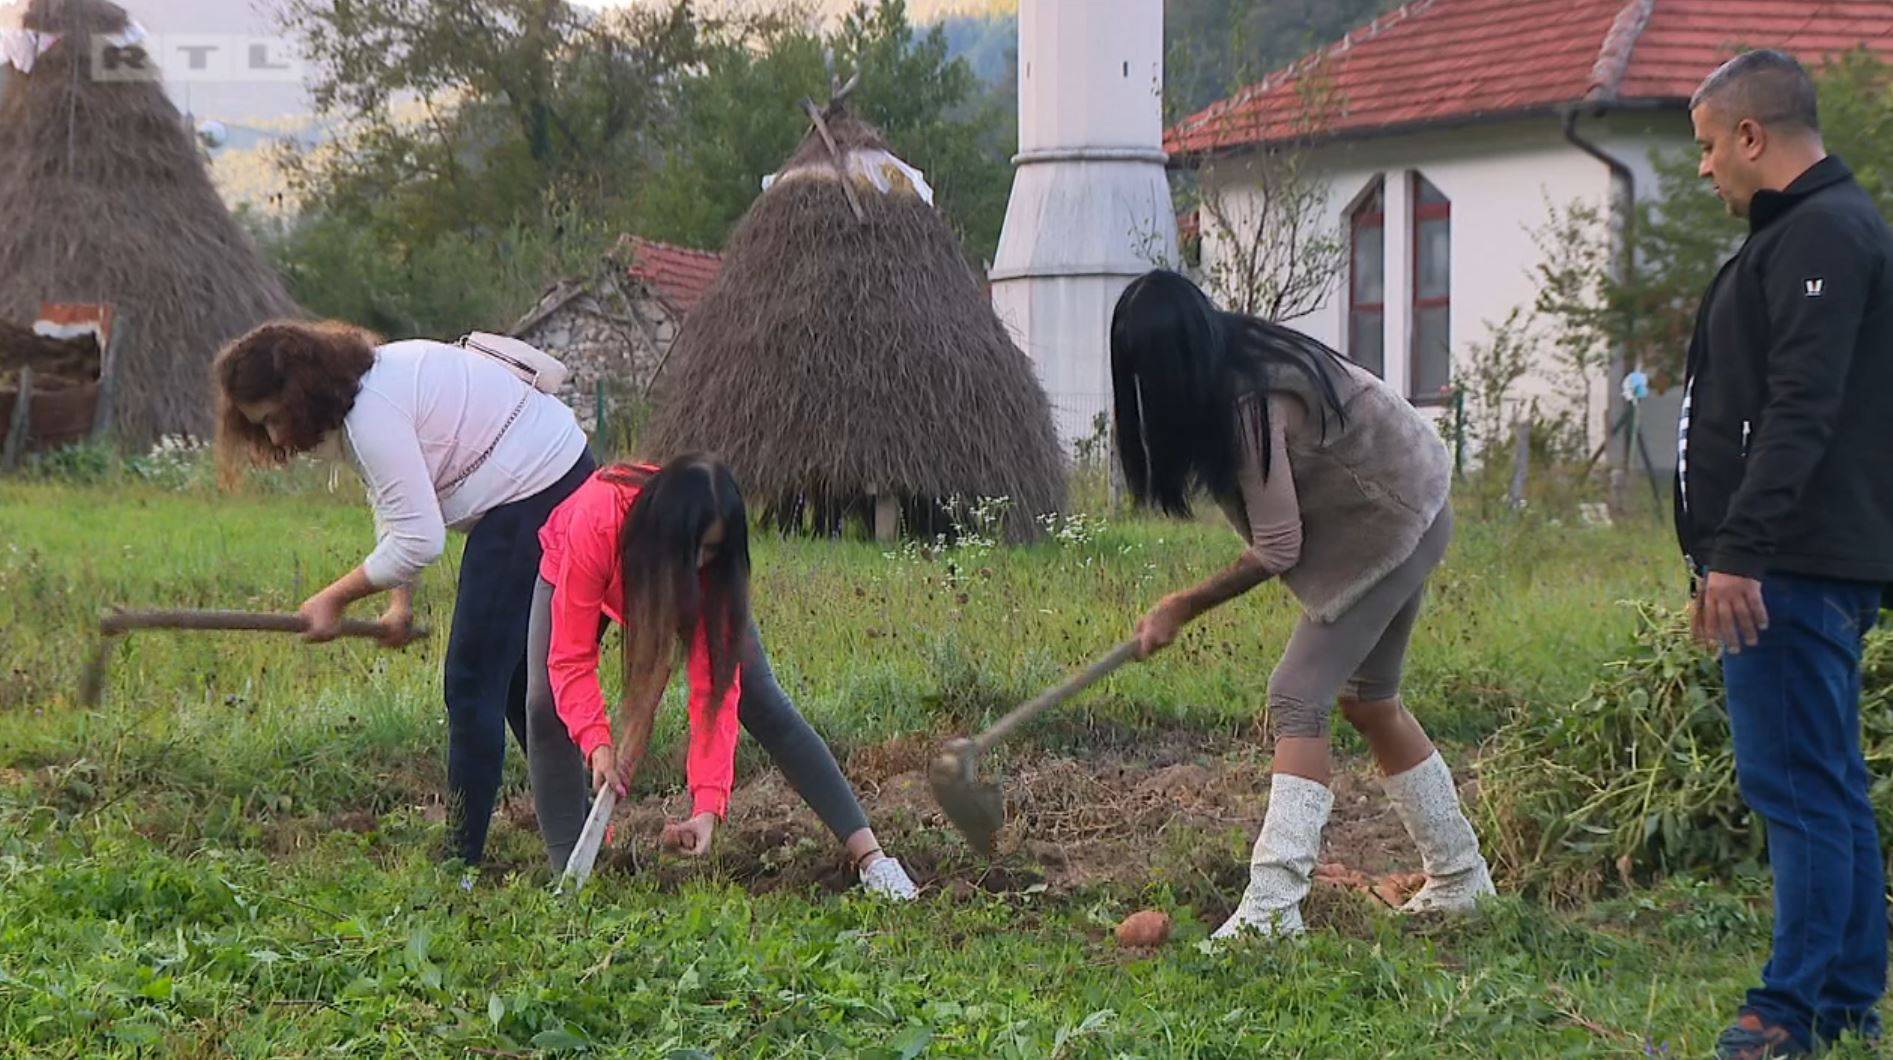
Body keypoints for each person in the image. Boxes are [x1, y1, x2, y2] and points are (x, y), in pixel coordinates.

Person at [1110, 269, 1493, 940]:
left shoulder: (1248, 401)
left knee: (1296, 695)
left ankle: (1271, 910)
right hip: (1405, 506)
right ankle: (1461, 879)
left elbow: (1278, 545)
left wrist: (1181, 605)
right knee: (1368, 700)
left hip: (1392, 520)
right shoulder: (1234, 363)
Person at [1677, 49, 1893, 1059]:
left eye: (1710, 146)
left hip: (1790, 566)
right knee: (1827, 780)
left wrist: (1739, 556)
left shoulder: (1825, 236)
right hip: (1797, 561)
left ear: (1753, 136)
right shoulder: (1809, 233)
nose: (1707, 169)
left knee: (1799, 786)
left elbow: (1803, 412)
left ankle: (1787, 1010)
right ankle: (1846, 996)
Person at [214, 322, 594, 870]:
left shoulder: (372, 413)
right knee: (511, 681)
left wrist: (333, 598)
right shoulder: (369, 389)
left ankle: (461, 866)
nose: (275, 439)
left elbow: (419, 539)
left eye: (275, 418)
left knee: (470, 686)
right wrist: (400, 602)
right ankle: (578, 830)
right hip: (551, 476)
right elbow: (400, 507)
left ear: (303, 394)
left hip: (541, 489)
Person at [528, 456, 918, 899]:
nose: (696, 563)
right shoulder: (599, 518)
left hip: (654, 576)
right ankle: (572, 877)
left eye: (709, 550)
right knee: (544, 704)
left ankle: (873, 859)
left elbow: (715, 691)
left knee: (762, 698)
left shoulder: (710, 571)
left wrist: (708, 805)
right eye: (688, 550)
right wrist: (597, 741)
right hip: (583, 559)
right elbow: (570, 658)